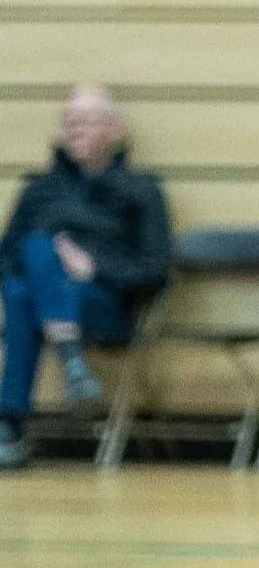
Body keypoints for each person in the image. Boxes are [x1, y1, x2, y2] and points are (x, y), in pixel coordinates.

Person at [0, 85, 170, 469]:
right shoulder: (39, 188)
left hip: (103, 303)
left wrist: (93, 268)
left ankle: (9, 425)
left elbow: (156, 269)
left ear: (115, 130)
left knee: (21, 292)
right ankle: (71, 359)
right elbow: (7, 255)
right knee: (29, 266)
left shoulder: (142, 190)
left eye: (86, 121)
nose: (75, 130)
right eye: (69, 122)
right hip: (38, 303)